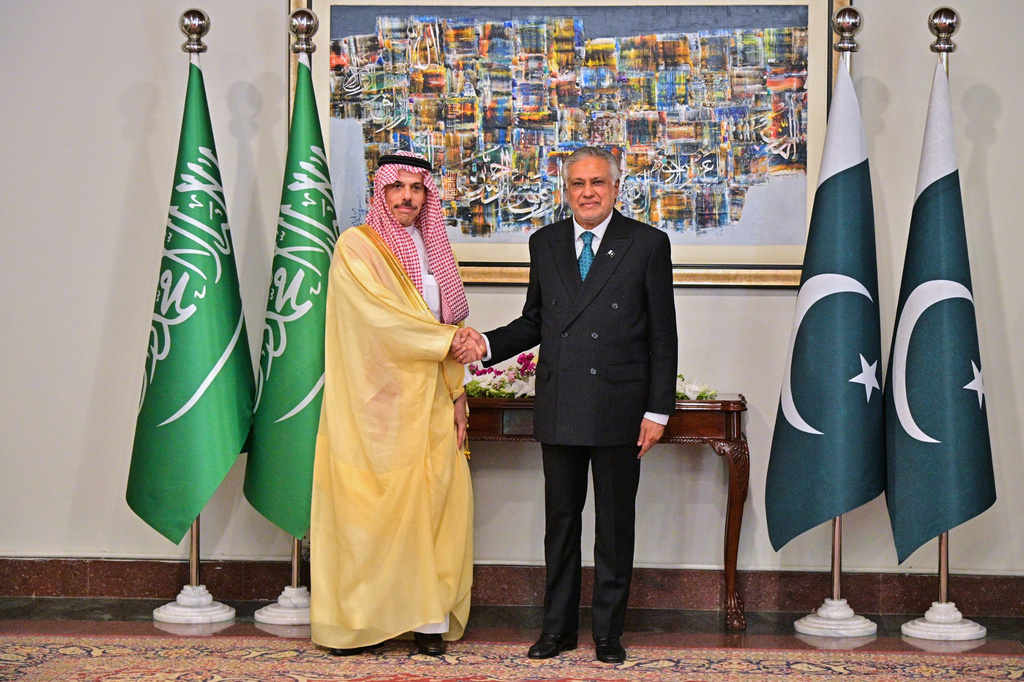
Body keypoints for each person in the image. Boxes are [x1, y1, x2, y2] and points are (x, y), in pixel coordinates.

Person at [456, 146, 677, 663]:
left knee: (615, 527)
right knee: (560, 525)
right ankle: (555, 629)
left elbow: (663, 335)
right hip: (560, 404)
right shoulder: (546, 242)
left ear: (616, 188)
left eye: (597, 182)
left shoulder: (647, 244)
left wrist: (658, 410)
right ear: (566, 190)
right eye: (577, 183)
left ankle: (607, 633)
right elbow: (536, 320)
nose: (587, 192)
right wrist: (485, 344)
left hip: (622, 407)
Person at [310, 152, 478, 657]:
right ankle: (361, 623)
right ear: (379, 194)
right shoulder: (356, 247)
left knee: (433, 506)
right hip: (375, 403)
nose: (407, 197)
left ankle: (427, 620)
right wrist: (446, 342)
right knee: (372, 510)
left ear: (428, 196)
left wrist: (457, 392)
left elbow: (436, 323)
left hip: (430, 395)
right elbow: (378, 321)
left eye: (417, 188)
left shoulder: (432, 248)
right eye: (396, 187)